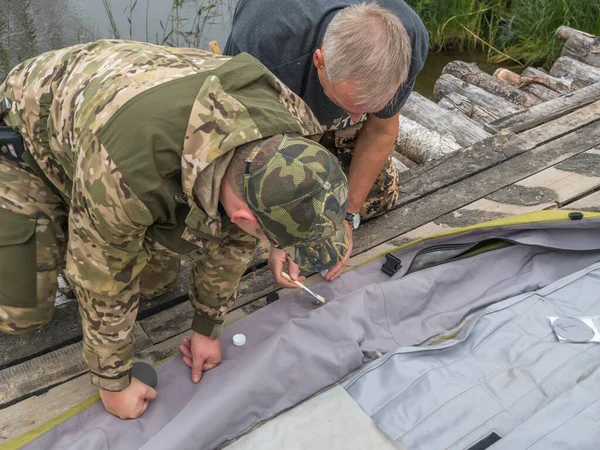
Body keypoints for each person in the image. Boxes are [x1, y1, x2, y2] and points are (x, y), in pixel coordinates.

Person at [0, 40, 349, 419]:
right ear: (246, 219)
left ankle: (86, 216)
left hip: (113, 118)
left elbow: (235, 239)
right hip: (29, 138)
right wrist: (112, 381)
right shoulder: (129, 172)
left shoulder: (291, 123)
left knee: (156, 282)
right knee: (21, 315)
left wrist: (207, 327)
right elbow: (100, 275)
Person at [225, 0, 429, 282]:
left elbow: (380, 130)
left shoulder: (407, 38)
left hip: (322, 94)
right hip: (272, 113)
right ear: (319, 61)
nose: (358, 120)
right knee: (242, 221)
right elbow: (241, 145)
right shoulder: (263, 46)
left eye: (368, 109)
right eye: (351, 106)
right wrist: (283, 235)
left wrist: (347, 217)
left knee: (376, 198)